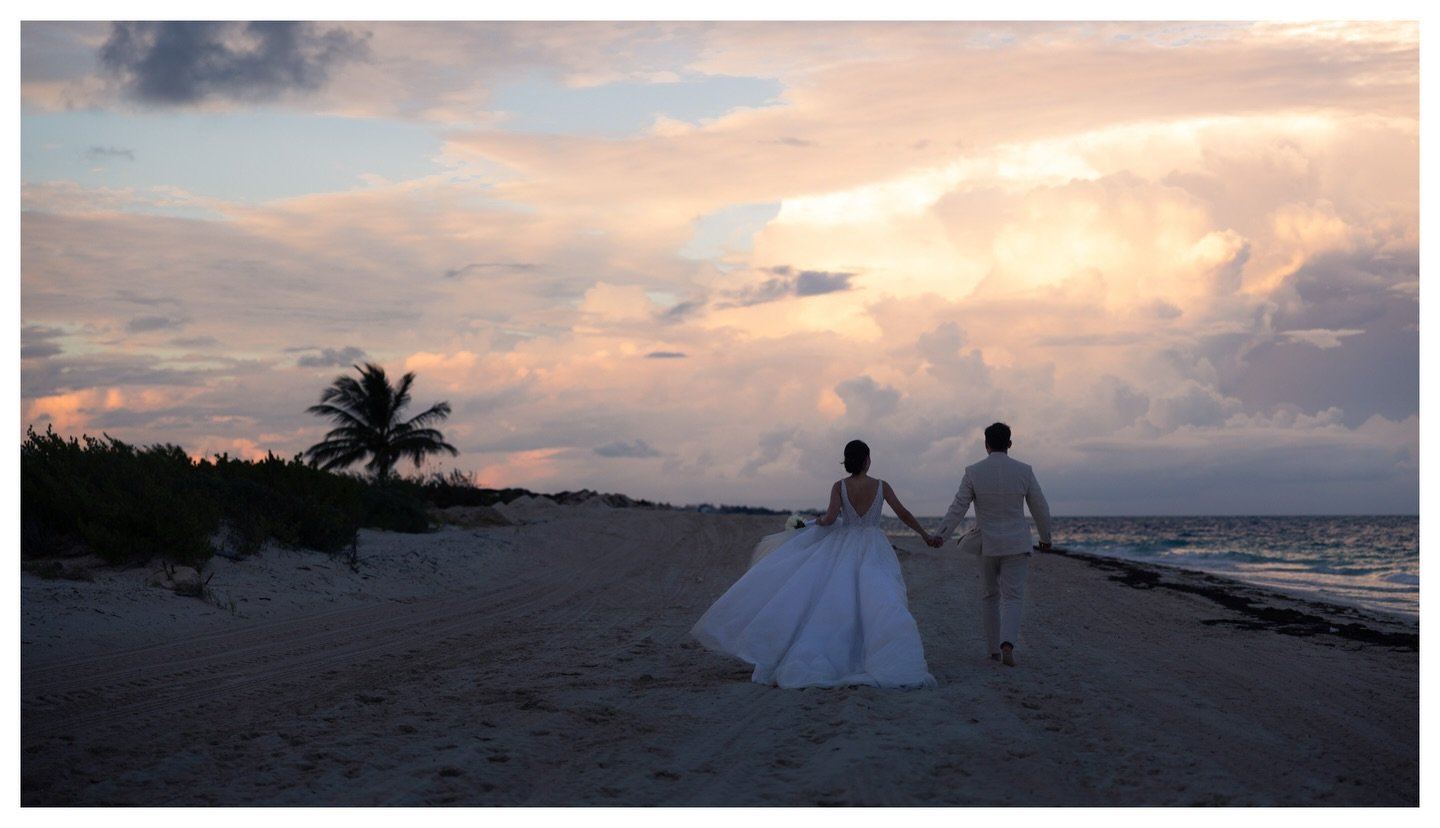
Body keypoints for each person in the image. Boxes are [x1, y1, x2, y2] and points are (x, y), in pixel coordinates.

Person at [691, 439, 939, 689]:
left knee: (844, 599)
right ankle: (879, 653)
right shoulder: (882, 486)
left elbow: (831, 518)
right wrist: (925, 534)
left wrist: (814, 523)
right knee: (879, 597)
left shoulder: (839, 486)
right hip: (874, 545)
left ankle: (845, 653)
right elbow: (903, 513)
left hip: (847, 545)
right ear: (867, 459)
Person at [927, 422, 1051, 667]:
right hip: (1016, 543)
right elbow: (1040, 507)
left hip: (988, 544)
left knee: (989, 595)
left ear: (986, 445)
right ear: (1010, 444)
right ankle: (1008, 644)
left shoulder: (974, 471)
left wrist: (942, 535)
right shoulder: (1024, 471)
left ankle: (994, 649)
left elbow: (958, 507)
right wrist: (1046, 539)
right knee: (1013, 597)